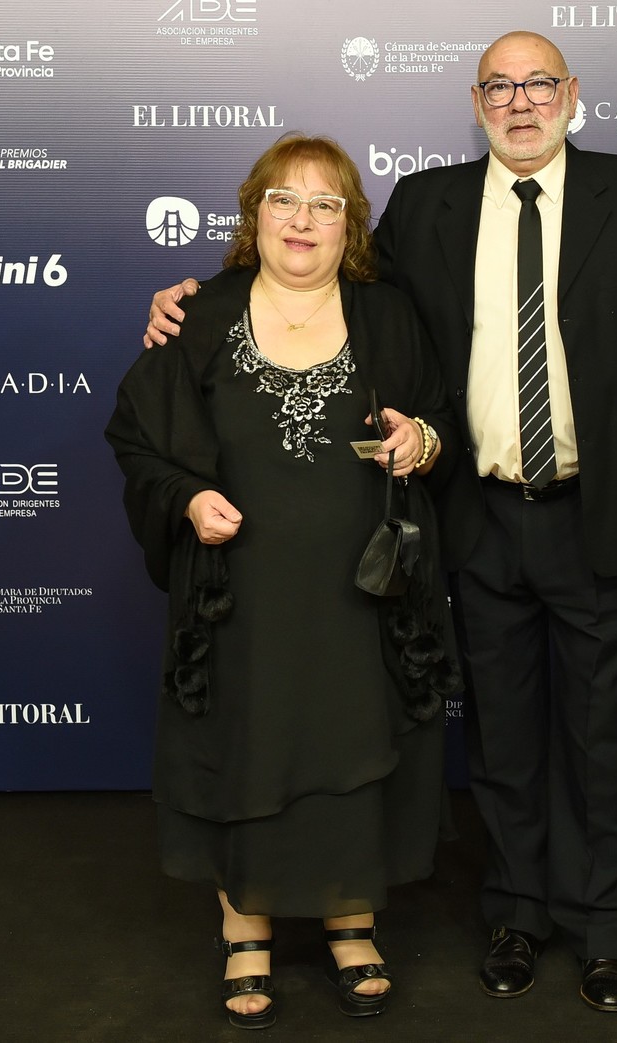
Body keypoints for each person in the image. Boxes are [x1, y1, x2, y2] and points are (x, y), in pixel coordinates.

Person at [144, 31, 617, 1013]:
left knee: (597, 735)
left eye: (538, 84)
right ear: (475, 100)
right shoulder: (428, 204)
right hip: (476, 516)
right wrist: (189, 298)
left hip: (599, 510)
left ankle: (603, 927)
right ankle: (514, 915)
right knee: (495, 738)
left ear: (571, 95)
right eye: (499, 87)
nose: (520, 101)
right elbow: (320, 276)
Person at [106, 133, 462, 1031]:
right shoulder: (198, 314)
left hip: (363, 593)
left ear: (352, 227)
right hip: (240, 593)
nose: (302, 219)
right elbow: (137, 437)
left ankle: (351, 918)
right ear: (252, 213)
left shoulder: (389, 316)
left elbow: (440, 420)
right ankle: (244, 922)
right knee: (248, 736)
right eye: (283, 200)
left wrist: (422, 439)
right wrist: (187, 500)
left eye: (325, 204)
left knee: (353, 736)